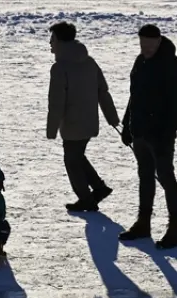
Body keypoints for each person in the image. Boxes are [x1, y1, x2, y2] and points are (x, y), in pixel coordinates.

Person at [119, 24, 177, 250]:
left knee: (166, 177)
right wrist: (127, 124)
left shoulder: (172, 65)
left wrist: (166, 135)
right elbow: (134, 95)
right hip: (139, 131)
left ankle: (174, 229)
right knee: (145, 177)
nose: (145, 48)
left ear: (159, 41)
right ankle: (143, 223)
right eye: (142, 44)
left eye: (149, 44)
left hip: (161, 135)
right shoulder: (140, 62)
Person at [46, 21, 119, 214]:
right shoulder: (89, 61)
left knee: (72, 160)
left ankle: (86, 199)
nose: (50, 43)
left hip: (71, 124)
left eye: (52, 39)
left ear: (60, 41)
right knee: (77, 156)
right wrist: (112, 118)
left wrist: (51, 129)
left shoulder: (60, 68)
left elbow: (56, 102)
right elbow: (103, 92)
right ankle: (99, 188)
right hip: (89, 122)